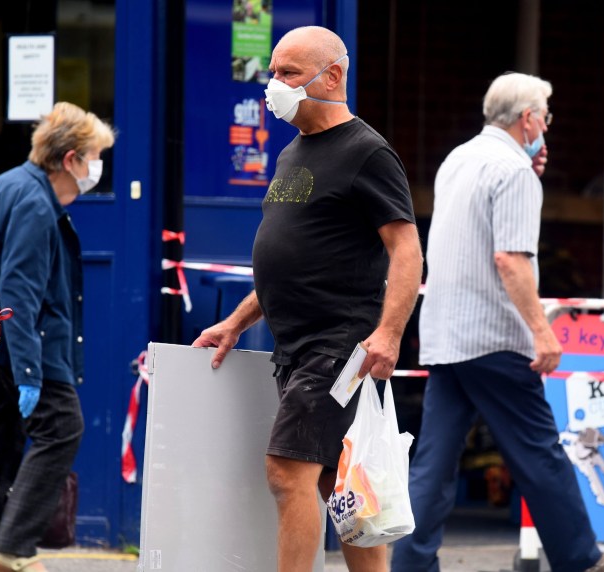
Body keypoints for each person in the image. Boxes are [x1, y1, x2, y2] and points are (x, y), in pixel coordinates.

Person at [192, 26, 423, 572]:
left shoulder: (368, 152)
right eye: (272, 72)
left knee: (286, 468)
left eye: (288, 73)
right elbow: (291, 264)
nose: (275, 85)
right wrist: (236, 322)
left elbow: (407, 249)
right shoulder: (294, 152)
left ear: (333, 75)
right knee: (334, 480)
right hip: (296, 346)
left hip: (340, 343)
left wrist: (388, 333)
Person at [390, 73, 604, 572]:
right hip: (495, 336)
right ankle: (580, 558)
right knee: (539, 452)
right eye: (545, 118)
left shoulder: (458, 160)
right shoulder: (515, 173)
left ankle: (409, 565)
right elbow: (510, 259)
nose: (547, 126)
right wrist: (542, 331)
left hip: (446, 335)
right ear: (528, 120)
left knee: (433, 465)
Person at [0, 102, 115, 572]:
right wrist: (29, 373)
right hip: (29, 350)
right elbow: (20, 296)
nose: (97, 168)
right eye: (94, 156)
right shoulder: (32, 202)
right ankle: (14, 548)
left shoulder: (5, 187)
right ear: (70, 159)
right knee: (63, 429)